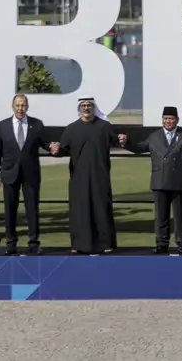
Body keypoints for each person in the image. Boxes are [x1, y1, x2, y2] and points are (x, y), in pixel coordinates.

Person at [119, 106, 182, 254]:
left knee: (181, 216)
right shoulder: (155, 136)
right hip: (160, 180)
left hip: (180, 181)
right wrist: (126, 142)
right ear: (162, 120)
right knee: (161, 216)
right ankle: (161, 243)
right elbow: (140, 148)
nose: (168, 121)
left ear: (177, 120)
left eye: (171, 119)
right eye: (165, 119)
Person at [50, 97, 120, 254]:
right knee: (80, 210)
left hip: (100, 175)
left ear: (94, 107)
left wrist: (124, 139)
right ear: (79, 108)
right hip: (78, 177)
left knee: (101, 209)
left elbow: (118, 141)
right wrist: (55, 150)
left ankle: (105, 244)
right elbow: (63, 149)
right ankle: (79, 244)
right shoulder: (71, 128)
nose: (86, 108)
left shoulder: (104, 127)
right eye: (83, 105)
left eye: (89, 105)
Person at [0, 94, 51, 255]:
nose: (20, 109)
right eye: (17, 105)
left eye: (23, 105)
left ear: (27, 107)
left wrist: (53, 147)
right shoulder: (2, 126)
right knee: (10, 210)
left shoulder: (37, 124)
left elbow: (45, 144)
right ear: (12, 106)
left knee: (32, 209)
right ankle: (11, 243)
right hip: (9, 173)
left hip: (31, 175)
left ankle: (33, 243)